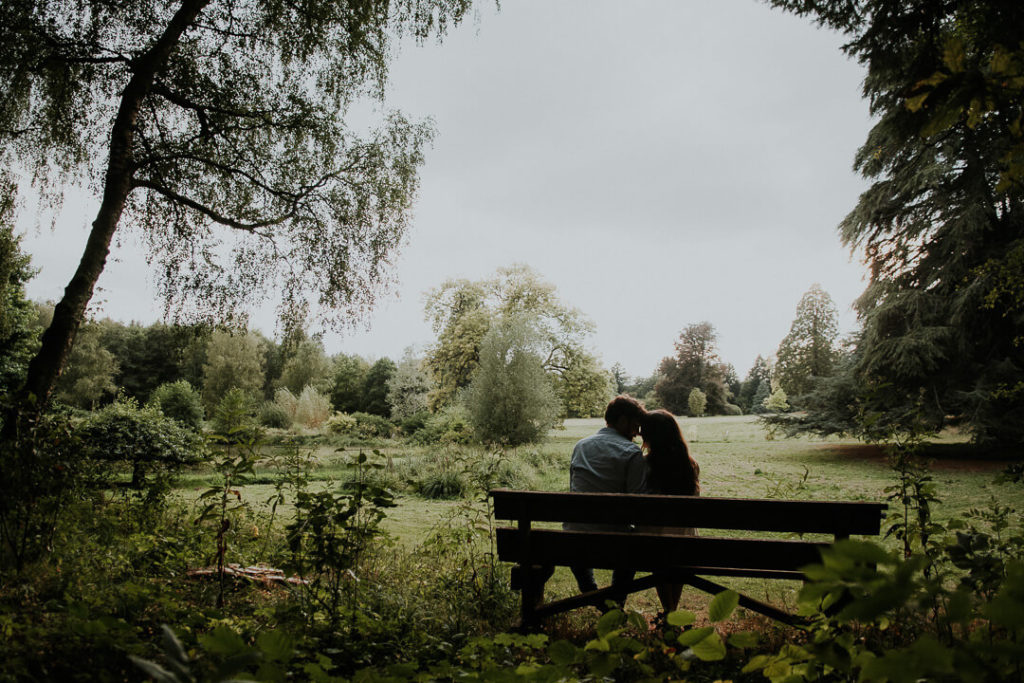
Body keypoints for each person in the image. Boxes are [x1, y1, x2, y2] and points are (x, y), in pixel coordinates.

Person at [565, 394, 649, 601]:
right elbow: (637, 501)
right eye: (634, 426)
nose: (637, 434)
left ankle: (594, 596)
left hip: (573, 538)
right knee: (632, 548)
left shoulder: (581, 446)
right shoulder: (631, 452)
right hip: (614, 540)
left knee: (578, 532)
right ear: (622, 421)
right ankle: (614, 605)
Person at [639, 409, 701, 614]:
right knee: (676, 547)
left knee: (659, 550)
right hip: (684, 540)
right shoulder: (690, 465)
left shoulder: (645, 465)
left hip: (653, 542)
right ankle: (671, 611)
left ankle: (669, 611)